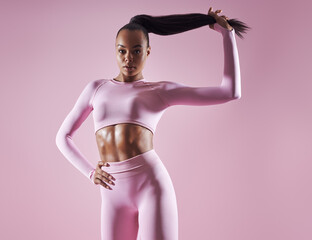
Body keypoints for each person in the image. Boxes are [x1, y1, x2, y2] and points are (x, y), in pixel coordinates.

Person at [55, 7, 250, 240]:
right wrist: (89, 173)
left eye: (136, 51)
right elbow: (63, 137)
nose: (129, 58)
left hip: (151, 187)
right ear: (115, 52)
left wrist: (226, 34)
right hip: (111, 192)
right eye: (122, 51)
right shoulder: (95, 89)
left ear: (148, 52)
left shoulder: (159, 91)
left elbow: (229, 92)